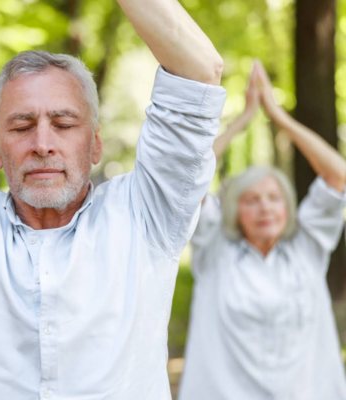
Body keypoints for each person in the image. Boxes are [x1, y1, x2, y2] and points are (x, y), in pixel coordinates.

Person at [0, 0, 225, 398]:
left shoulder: (147, 215)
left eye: (63, 124)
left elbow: (200, 72)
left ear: (95, 144)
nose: (42, 144)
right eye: (21, 126)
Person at [178, 61, 346, 400]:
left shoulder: (307, 248)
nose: (265, 207)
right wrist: (242, 120)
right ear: (235, 212)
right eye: (252, 200)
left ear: (287, 208)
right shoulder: (214, 251)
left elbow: (339, 177)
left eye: (273, 199)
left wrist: (279, 116)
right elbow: (186, 179)